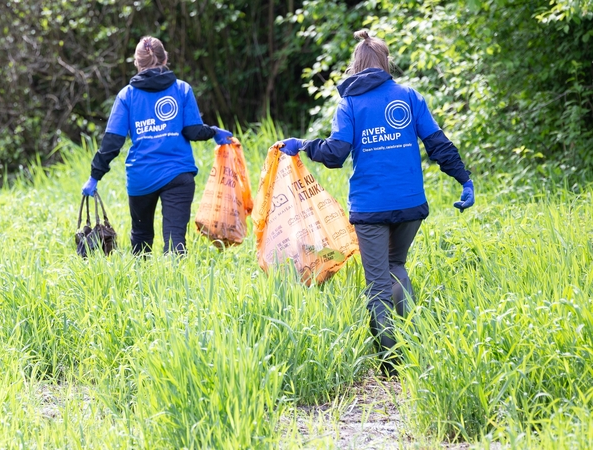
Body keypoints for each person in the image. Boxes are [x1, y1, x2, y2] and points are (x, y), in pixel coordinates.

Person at [277, 29, 475, 377]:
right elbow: (438, 143)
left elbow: (336, 153)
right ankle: (416, 343)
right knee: (396, 265)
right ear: (385, 64)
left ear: (356, 65)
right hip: (410, 203)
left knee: (379, 283)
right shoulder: (409, 96)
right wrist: (465, 179)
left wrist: (304, 144)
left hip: (371, 207)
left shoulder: (349, 103)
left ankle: (390, 363)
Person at [82, 36, 233, 255]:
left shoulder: (127, 95)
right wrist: (214, 132)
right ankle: (175, 287)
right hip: (178, 175)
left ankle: (143, 286)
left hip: (141, 177)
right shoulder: (181, 89)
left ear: (137, 62)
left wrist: (95, 176)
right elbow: (193, 130)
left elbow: (113, 142)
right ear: (166, 59)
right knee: (175, 242)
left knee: (141, 239)